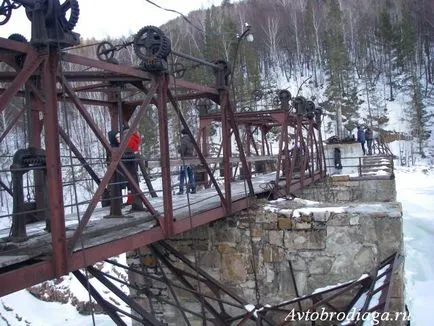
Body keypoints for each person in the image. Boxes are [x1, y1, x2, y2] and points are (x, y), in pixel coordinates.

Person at [121, 124, 146, 211]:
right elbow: (137, 143)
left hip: (127, 157)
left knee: (129, 180)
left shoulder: (125, 136)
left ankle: (130, 199)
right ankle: (135, 200)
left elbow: (127, 147)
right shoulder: (135, 134)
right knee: (134, 179)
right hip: (135, 156)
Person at [178, 128, 196, 195]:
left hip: (185, 159)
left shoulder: (184, 140)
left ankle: (181, 190)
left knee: (182, 175)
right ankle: (193, 188)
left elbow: (182, 150)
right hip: (190, 159)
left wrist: (178, 148)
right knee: (190, 174)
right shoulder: (191, 140)